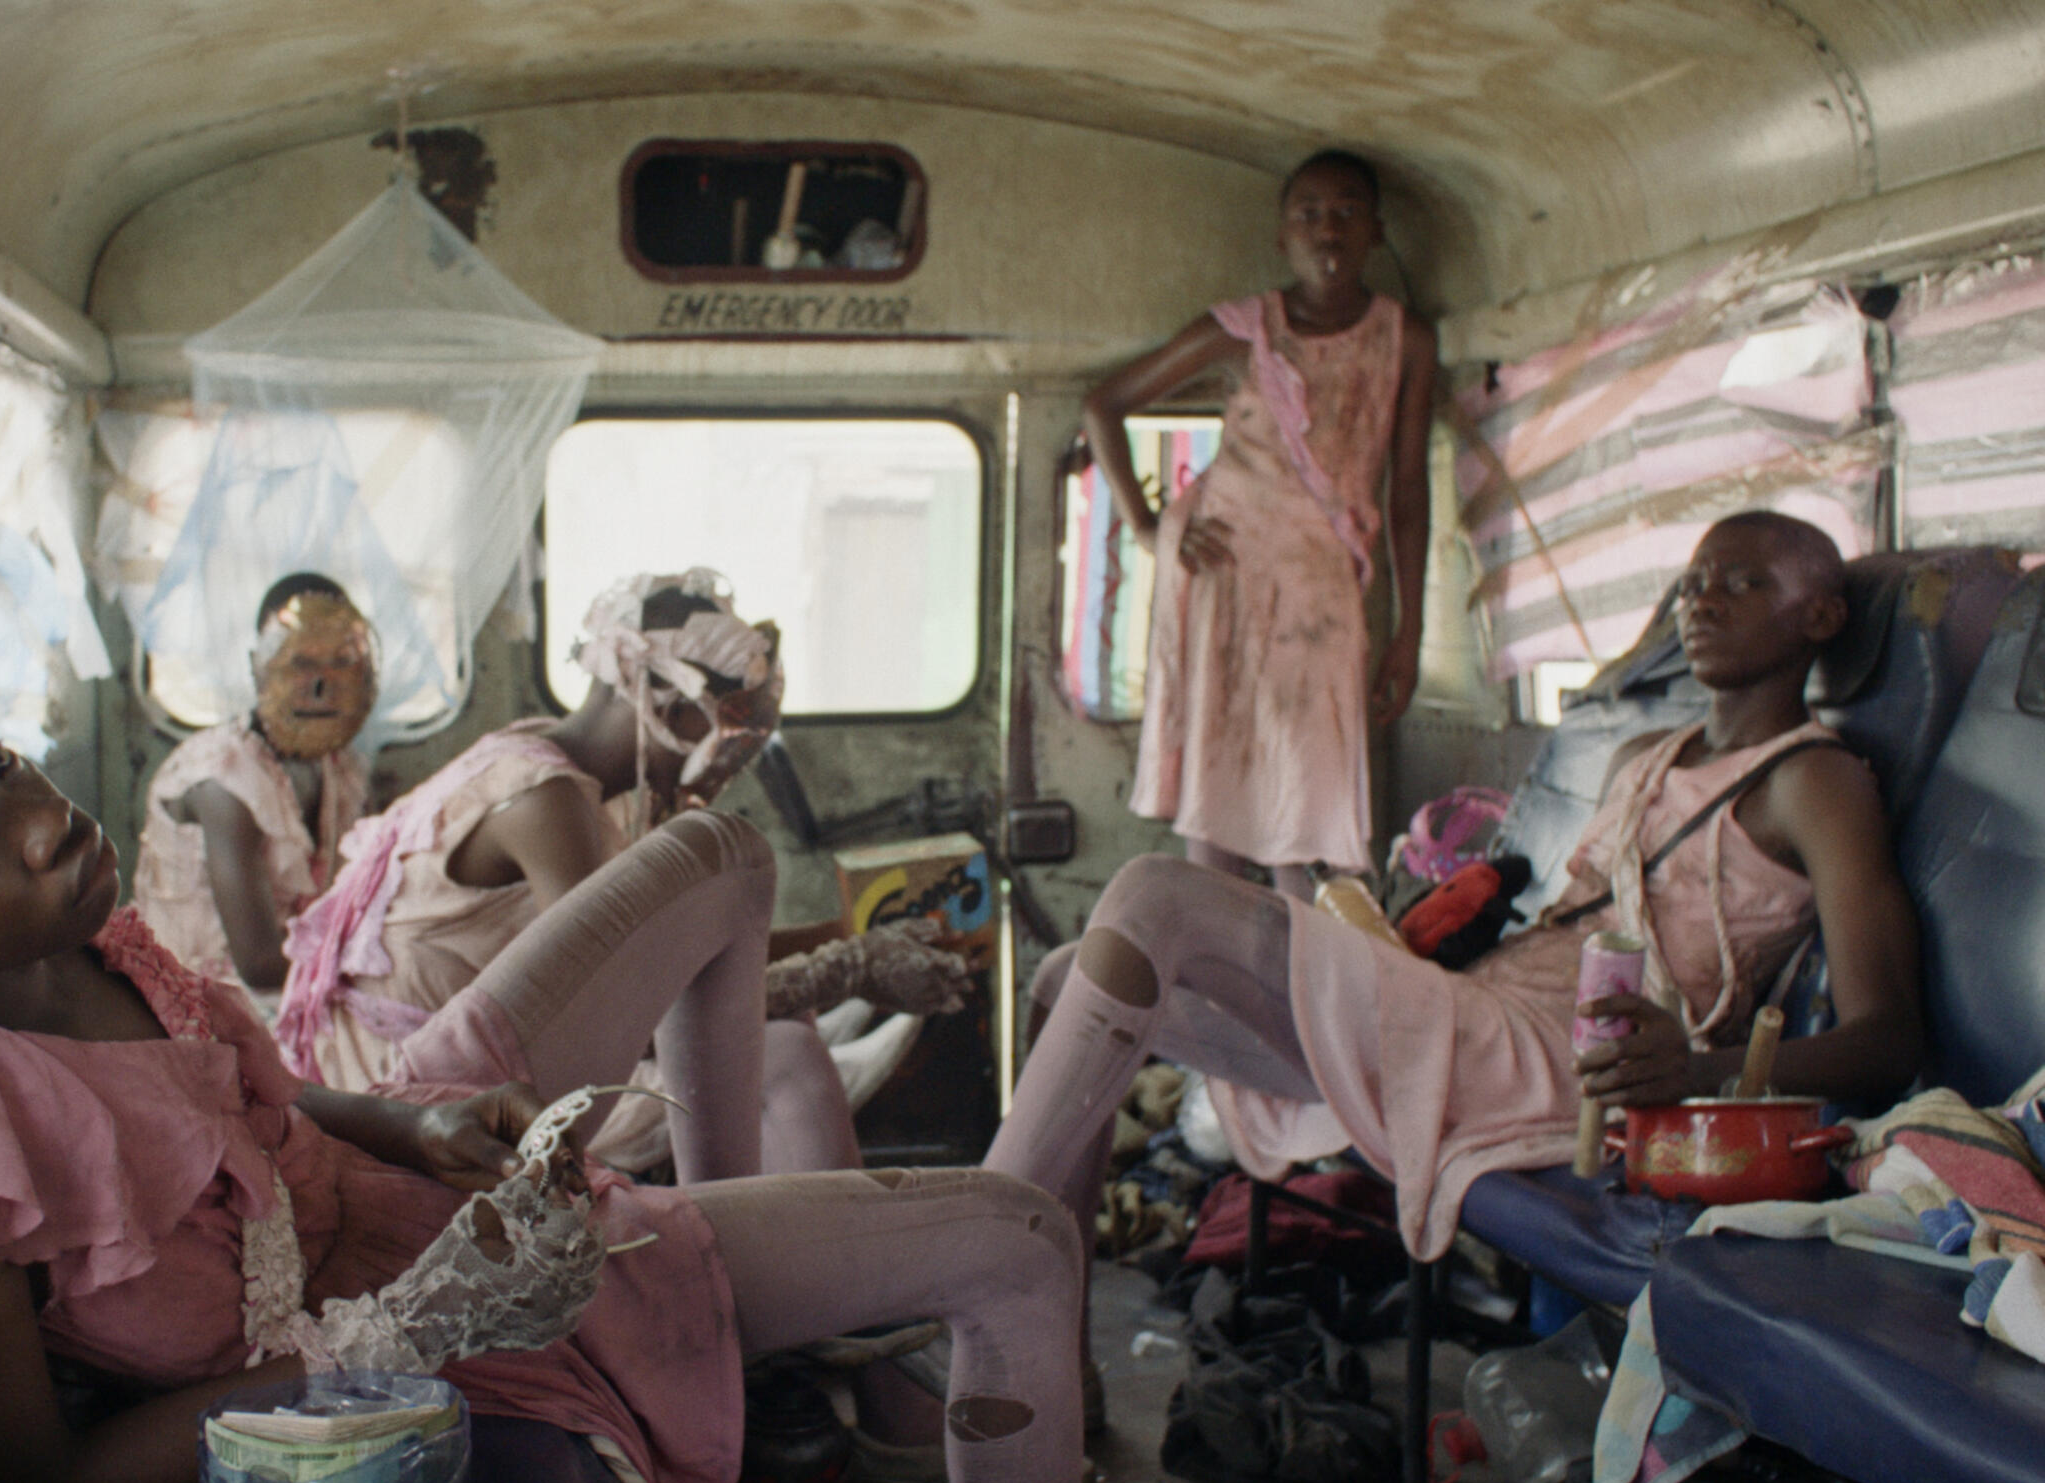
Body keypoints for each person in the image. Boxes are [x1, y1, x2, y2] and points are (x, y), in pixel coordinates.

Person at [0, 670, 1083, 1483]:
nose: (45, 816)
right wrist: (401, 1336)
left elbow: (270, 1099)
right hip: (361, 1327)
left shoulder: (84, 935)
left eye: (4, 759)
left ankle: (713, 1254)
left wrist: (411, 1125)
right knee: (1021, 1244)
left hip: (385, 1177)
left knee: (712, 853)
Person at [990, 512, 1924, 1266]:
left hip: (1567, 1063)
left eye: (1742, 583)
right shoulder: (1644, 758)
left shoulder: (1813, 783)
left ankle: (980, 1260)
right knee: (1066, 975)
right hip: (1474, 1015)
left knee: (1160, 891)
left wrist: (1696, 1074)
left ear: (1821, 619)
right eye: (1691, 583)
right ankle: (1048, 1352)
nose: (1702, 602)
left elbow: (1890, 1041)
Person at [277, 569, 967, 1178]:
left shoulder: (561, 764)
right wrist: (845, 970)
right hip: (410, 1093)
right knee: (782, 1053)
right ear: (661, 705)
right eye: (725, 730)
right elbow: (633, 1005)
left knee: (787, 1032)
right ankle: (795, 1295)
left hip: (436, 1053)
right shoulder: (546, 803)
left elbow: (678, 953)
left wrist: (848, 932)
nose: (734, 760)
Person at [1080, 148, 1439, 892]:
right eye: (1307, 215)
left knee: (1313, 794)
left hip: (1321, 590)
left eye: (1345, 212)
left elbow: (1407, 490)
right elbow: (1103, 404)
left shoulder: (1406, 339)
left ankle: (1307, 982)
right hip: (1223, 573)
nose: (1327, 230)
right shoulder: (1243, 330)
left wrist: (1409, 634)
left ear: (1376, 230)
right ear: (1282, 237)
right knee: (1221, 775)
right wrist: (1150, 531)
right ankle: (1219, 972)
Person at [136, 575, 376, 1016]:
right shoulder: (222, 780)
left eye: (340, 661)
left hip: (300, 979)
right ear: (257, 666)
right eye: (299, 660)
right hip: (209, 1004)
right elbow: (260, 965)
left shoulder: (342, 767)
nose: (320, 683)